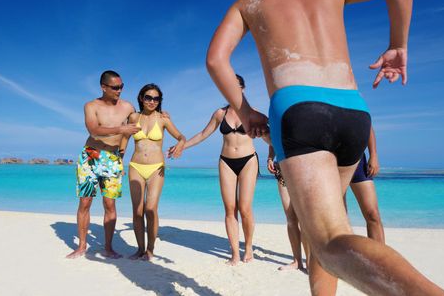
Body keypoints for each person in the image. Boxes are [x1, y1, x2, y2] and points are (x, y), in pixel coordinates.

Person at [205, 0, 444, 295]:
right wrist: (398, 45)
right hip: (353, 111)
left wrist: (246, 113)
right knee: (328, 229)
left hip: (299, 109)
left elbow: (215, 59)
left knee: (329, 239)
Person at [175, 74, 259, 265]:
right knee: (230, 209)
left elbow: (268, 136)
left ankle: (248, 247)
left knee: (245, 208)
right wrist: (183, 146)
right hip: (226, 161)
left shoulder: (253, 112)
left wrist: (274, 155)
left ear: (243, 89)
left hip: (248, 161)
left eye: (237, 86)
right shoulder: (220, 113)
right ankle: (235, 254)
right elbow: (204, 134)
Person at [67, 70, 140, 259]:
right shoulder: (91, 106)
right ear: (104, 87)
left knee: (110, 204)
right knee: (85, 201)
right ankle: (82, 246)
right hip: (91, 155)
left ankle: (108, 247)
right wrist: (121, 128)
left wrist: (161, 113)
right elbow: (94, 130)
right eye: (115, 87)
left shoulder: (128, 107)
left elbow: (142, 121)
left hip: (113, 158)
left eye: (121, 87)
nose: (119, 91)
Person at [125, 83, 186, 260]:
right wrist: (118, 162)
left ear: (159, 101)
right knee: (137, 211)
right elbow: (124, 139)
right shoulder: (133, 117)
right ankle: (139, 249)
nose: (152, 101)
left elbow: (181, 136)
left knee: (151, 209)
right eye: (148, 97)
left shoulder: (163, 119)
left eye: (156, 98)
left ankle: (150, 249)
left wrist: (180, 144)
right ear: (141, 98)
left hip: (156, 168)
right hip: (135, 166)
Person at [267, 145, 308, 271]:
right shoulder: (277, 123)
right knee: (291, 219)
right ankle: (297, 262)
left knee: (304, 220)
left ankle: (311, 262)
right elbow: (273, 139)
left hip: (302, 167)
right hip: (282, 168)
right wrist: (270, 158)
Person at [347, 126, 385, 243]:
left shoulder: (354, 107)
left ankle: (379, 258)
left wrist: (373, 155)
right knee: (339, 218)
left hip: (358, 160)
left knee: (372, 214)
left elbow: (367, 126)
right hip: (329, 161)